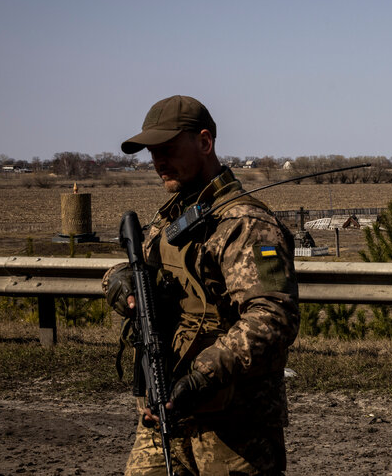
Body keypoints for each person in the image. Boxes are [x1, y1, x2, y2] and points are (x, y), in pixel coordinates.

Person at [103, 95, 300, 475]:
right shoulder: (173, 217)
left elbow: (274, 316)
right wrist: (121, 284)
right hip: (164, 412)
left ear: (205, 142)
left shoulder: (248, 225)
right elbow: (135, 269)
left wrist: (201, 376)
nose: (157, 161)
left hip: (234, 424)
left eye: (167, 148)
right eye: (151, 152)